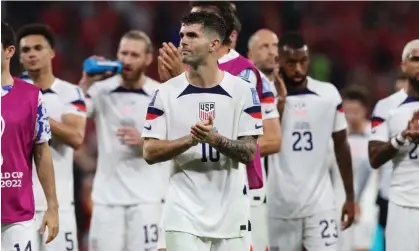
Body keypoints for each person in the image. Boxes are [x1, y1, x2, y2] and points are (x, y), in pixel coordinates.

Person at [142, 11, 263, 251]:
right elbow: (149, 151)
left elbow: (250, 152)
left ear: (214, 44)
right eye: (181, 35)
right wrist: (191, 140)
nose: (183, 42)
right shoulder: (164, 93)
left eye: (192, 36)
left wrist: (214, 139)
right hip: (182, 215)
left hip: (232, 216)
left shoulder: (244, 92)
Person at [78, 30, 168, 251]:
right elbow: (73, 117)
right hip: (107, 200)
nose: (127, 60)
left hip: (148, 199)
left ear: (148, 58)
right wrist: (85, 82)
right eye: (123, 53)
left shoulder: (161, 94)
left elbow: (177, 140)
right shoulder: (100, 91)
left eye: (134, 55)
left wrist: (146, 141)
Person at [267, 32, 355, 251]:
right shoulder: (265, 97)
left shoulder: (328, 94)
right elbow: (261, 143)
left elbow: (342, 146)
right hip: (280, 206)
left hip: (320, 204)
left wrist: (349, 196)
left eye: (303, 61)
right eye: (290, 62)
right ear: (278, 62)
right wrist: (280, 104)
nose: (297, 68)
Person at [158, 1, 281, 157]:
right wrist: (168, 86)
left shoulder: (245, 72)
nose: (195, 25)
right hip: (189, 167)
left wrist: (180, 81)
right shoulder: (185, 65)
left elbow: (225, 128)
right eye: (192, 18)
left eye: (204, 19)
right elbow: (171, 129)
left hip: (232, 171)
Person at [16, 23, 87, 251]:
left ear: (52, 52)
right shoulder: (8, 94)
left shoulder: (70, 92)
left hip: (59, 204)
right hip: (18, 205)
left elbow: (76, 137)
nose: (32, 54)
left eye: (38, 48)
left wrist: (38, 112)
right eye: (26, 50)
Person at [1, 21, 59, 250]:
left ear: (9, 51)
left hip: (19, 216)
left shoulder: (32, 97)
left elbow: (42, 152)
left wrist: (52, 207)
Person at [368, 39, 419, 251]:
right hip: (401, 206)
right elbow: (374, 158)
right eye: (415, 59)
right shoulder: (387, 107)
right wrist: (403, 137)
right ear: (403, 65)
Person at [247, 28, 279, 251]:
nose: (271, 52)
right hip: (253, 188)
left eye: (274, 46)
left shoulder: (287, 87)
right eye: (264, 46)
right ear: (249, 55)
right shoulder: (244, 86)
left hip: (282, 190)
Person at [337, 86, 379, 251]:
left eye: (356, 111)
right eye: (347, 111)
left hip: (367, 202)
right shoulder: (337, 136)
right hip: (339, 201)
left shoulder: (376, 134)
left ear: (365, 110)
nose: (351, 116)